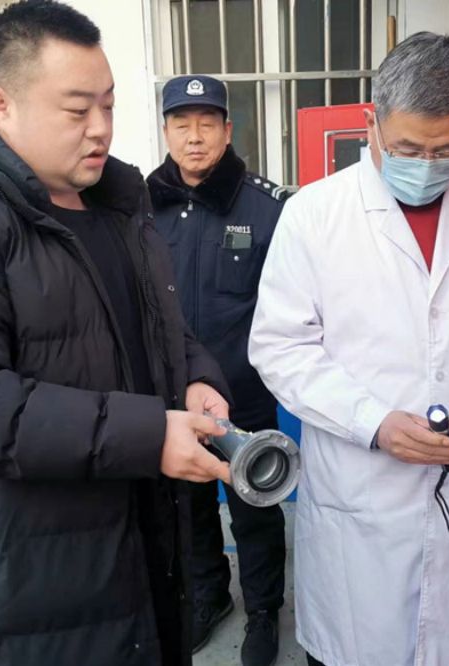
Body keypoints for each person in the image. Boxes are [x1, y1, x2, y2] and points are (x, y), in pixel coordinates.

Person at [0, 2, 233, 665]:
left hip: (140, 552)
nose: (100, 128)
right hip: (21, 597)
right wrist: (149, 435)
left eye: (108, 106)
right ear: (1, 105)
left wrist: (195, 373)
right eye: (77, 110)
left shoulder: (118, 202)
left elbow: (156, 325)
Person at [249, 32, 449, 666]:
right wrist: (373, 423)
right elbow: (281, 347)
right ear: (372, 123)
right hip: (361, 501)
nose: (427, 165)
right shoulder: (315, 214)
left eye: (447, 150)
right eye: (409, 149)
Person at [147, 74, 286, 666]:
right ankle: (209, 594)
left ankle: (263, 611)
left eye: (207, 124)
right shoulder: (141, 208)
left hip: (244, 395)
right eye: (182, 124)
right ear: (166, 131)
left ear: (228, 131)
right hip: (173, 396)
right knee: (190, 505)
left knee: (256, 507)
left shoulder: (267, 209)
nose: (195, 137)